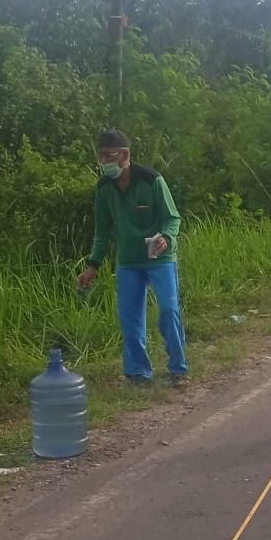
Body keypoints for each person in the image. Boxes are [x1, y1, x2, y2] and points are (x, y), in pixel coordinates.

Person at [77, 129, 189, 386]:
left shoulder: (151, 180)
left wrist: (167, 238)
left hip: (159, 257)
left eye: (109, 156)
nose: (104, 162)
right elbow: (102, 232)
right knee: (130, 318)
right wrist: (92, 265)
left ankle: (178, 369)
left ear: (125, 155)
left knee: (169, 310)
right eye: (100, 156)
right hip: (128, 261)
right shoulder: (104, 188)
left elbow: (172, 217)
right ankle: (138, 373)